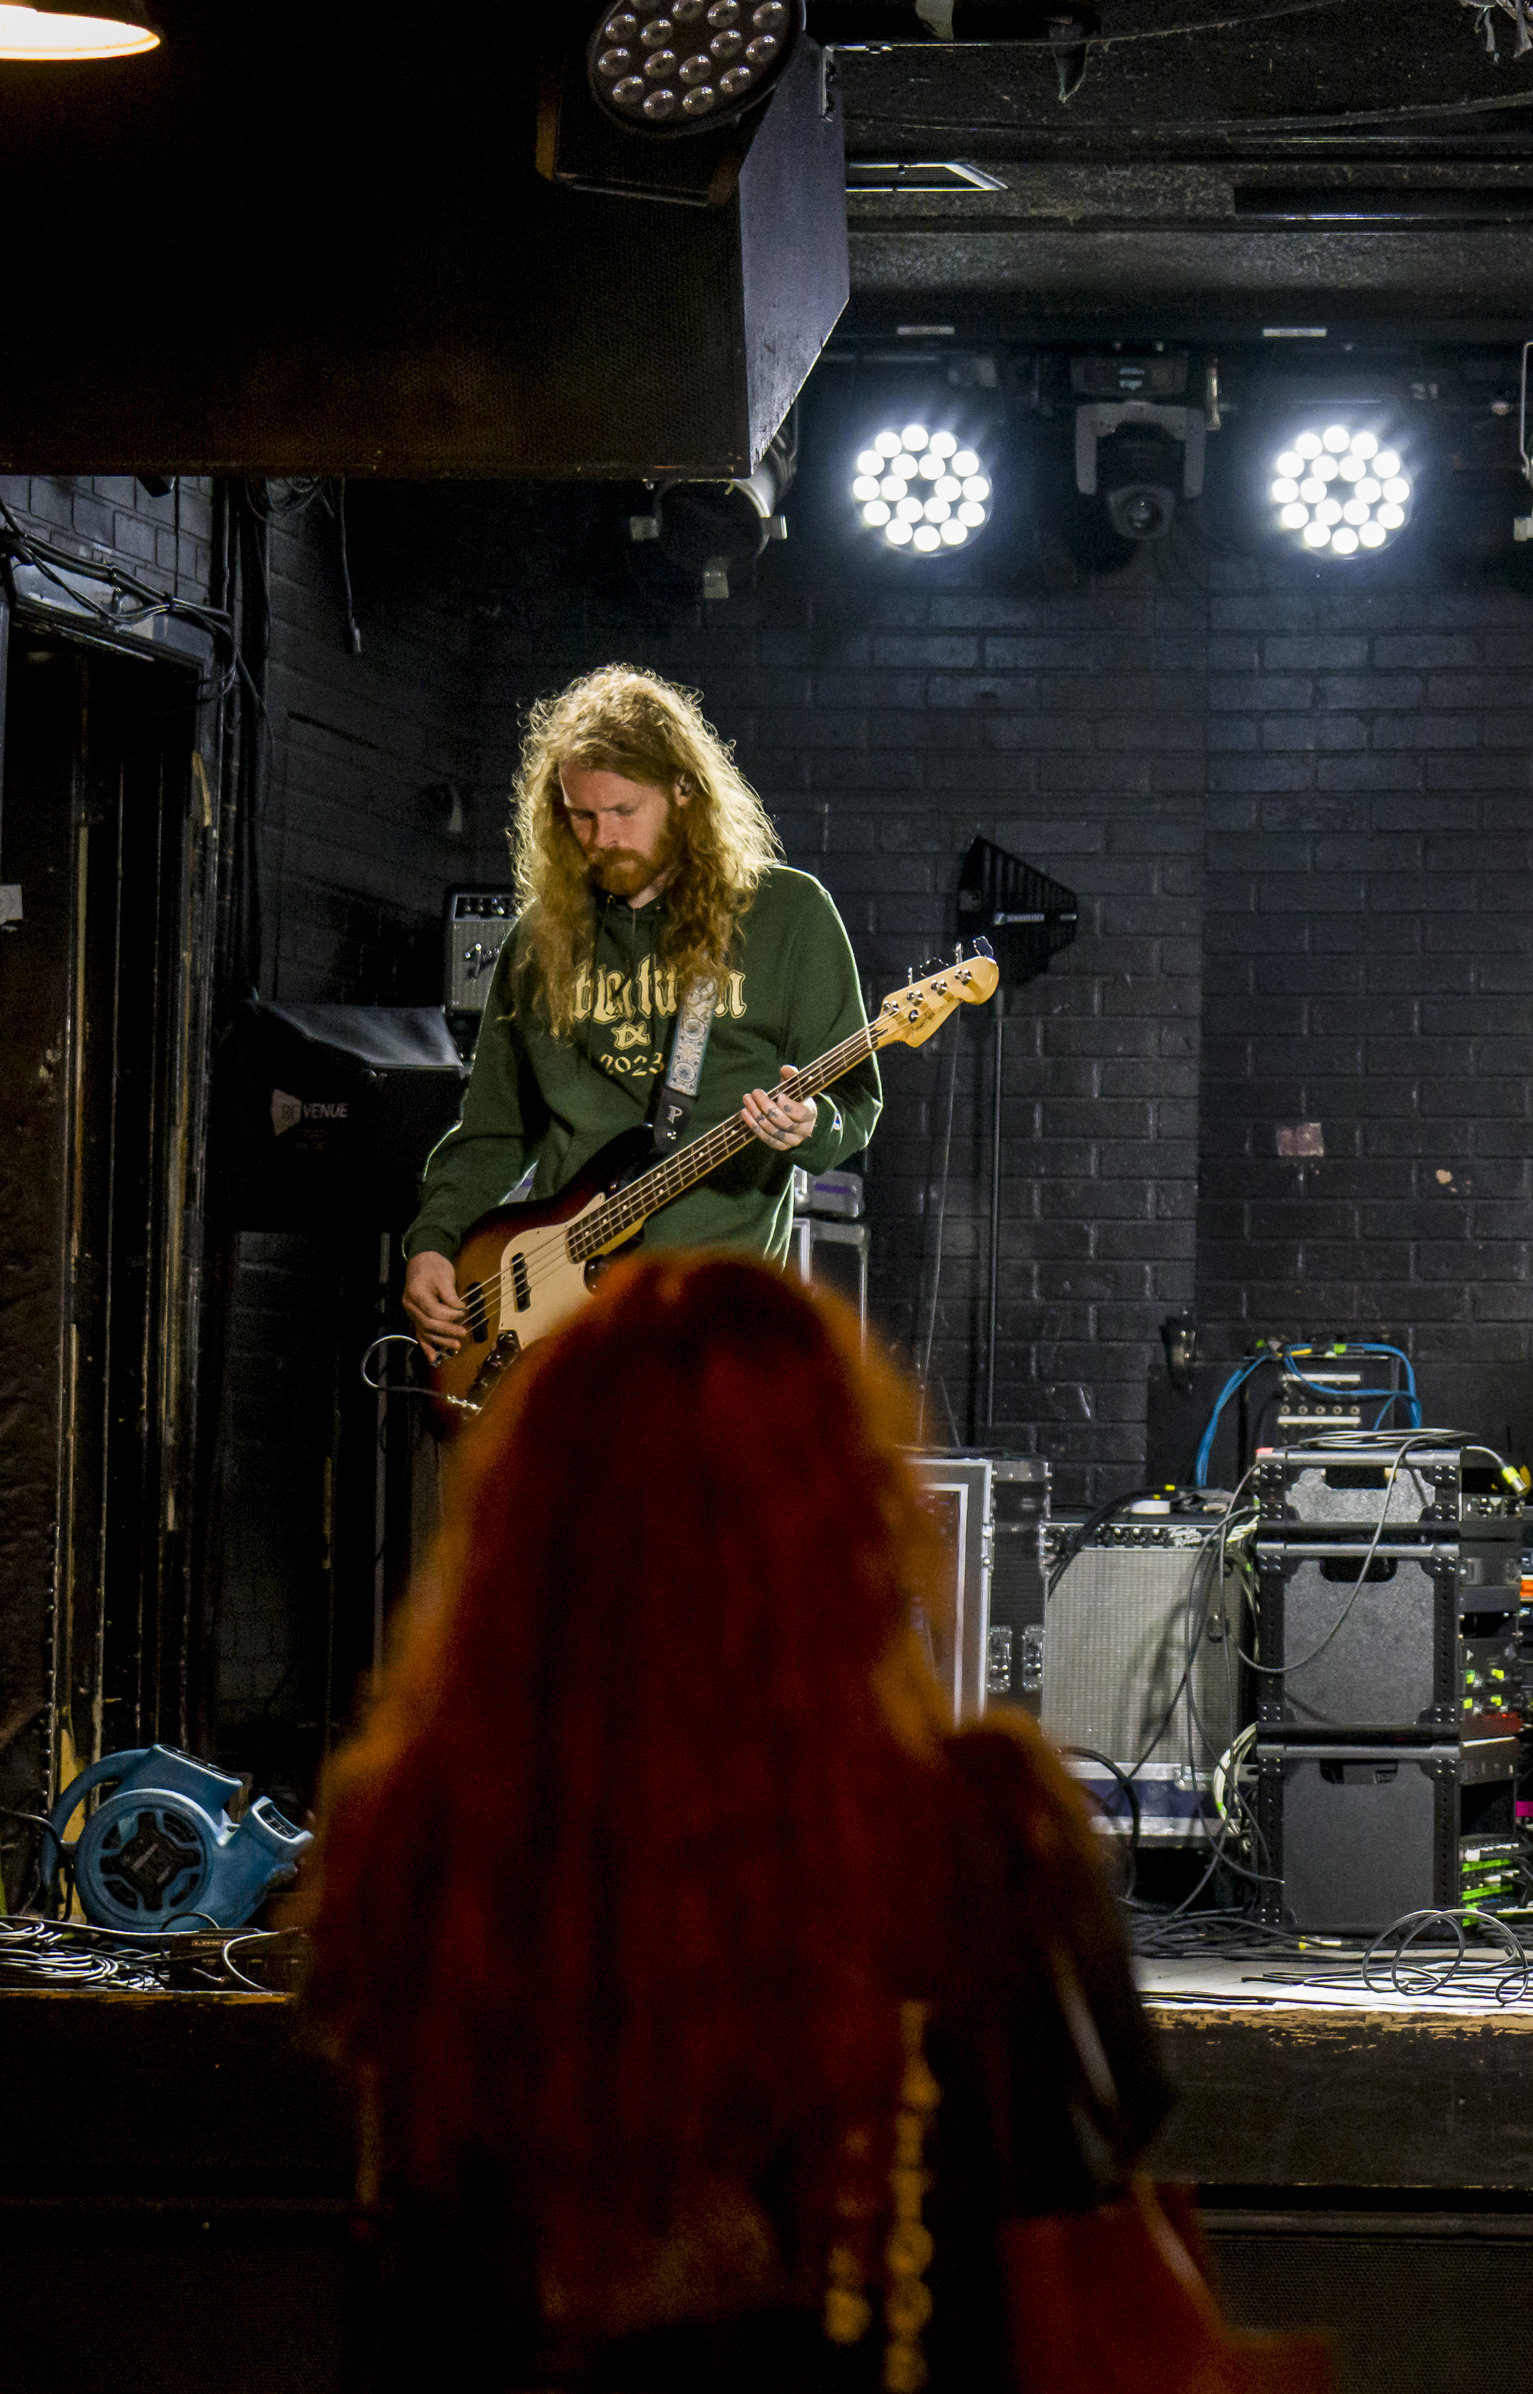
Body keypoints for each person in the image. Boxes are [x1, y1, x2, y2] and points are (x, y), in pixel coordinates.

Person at [301, 1254, 1174, 2392]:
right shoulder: (987, 1832)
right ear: (852, 1520)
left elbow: (404, 2277)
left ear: (532, 1529)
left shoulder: (420, 1834)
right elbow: (1093, 2202)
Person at [401, 666, 880, 1355]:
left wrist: (810, 1125)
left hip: (718, 1315)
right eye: (581, 815)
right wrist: (435, 1242)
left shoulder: (786, 915)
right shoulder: (541, 940)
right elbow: (496, 1131)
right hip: (569, 1315)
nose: (601, 839)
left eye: (624, 812)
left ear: (684, 792)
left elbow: (855, 1102)